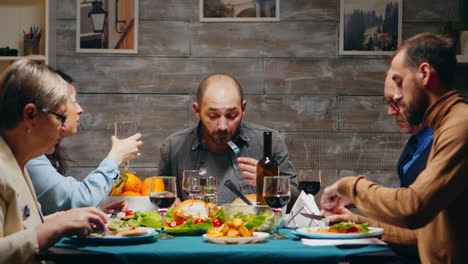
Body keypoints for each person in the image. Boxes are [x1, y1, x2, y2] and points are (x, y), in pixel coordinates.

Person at [321, 33, 468, 263]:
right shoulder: (446, 125)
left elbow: (412, 208)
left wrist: (349, 185)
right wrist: (356, 222)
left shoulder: (460, 125)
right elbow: (423, 234)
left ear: (425, 74)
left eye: (399, 81)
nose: (395, 103)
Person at [0, 59, 112, 264]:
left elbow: (23, 226)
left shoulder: (18, 161)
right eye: (60, 117)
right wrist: (56, 227)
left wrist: (67, 218)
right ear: (30, 115)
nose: (63, 128)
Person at [157, 74, 299, 206]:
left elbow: (298, 199)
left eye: (231, 115)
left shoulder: (269, 142)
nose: (223, 126)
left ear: (243, 108)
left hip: (254, 232)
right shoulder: (173, 147)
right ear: (197, 111)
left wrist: (271, 185)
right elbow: (161, 195)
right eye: (213, 116)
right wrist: (169, 203)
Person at [26, 70, 143, 215]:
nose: (80, 110)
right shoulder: (29, 159)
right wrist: (115, 157)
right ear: (31, 114)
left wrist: (91, 211)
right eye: (72, 102)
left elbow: (39, 219)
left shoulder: (30, 156)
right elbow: (81, 198)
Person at [384, 73, 433, 187]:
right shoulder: (418, 138)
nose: (390, 112)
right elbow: (404, 190)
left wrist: (358, 190)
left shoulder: (445, 140)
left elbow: (415, 198)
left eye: (397, 102)